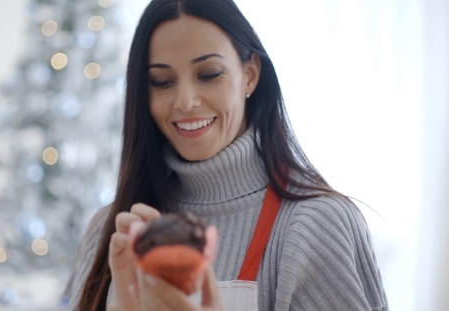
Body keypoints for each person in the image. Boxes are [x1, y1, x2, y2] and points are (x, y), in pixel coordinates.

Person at [62, 0, 388, 310]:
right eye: (162, 81)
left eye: (209, 74)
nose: (186, 101)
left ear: (250, 75)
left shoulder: (316, 226)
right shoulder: (107, 231)